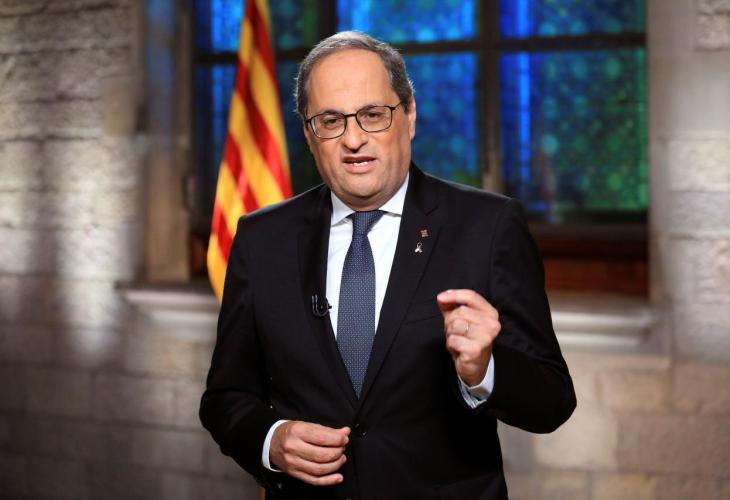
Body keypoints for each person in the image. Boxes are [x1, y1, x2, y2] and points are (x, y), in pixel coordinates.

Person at [200, 31, 576, 500]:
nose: (354, 139)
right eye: (331, 120)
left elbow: (553, 401)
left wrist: (485, 370)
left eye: (373, 115)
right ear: (309, 134)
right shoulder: (262, 239)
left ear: (410, 115)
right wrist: (271, 441)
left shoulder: (489, 226)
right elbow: (225, 398)